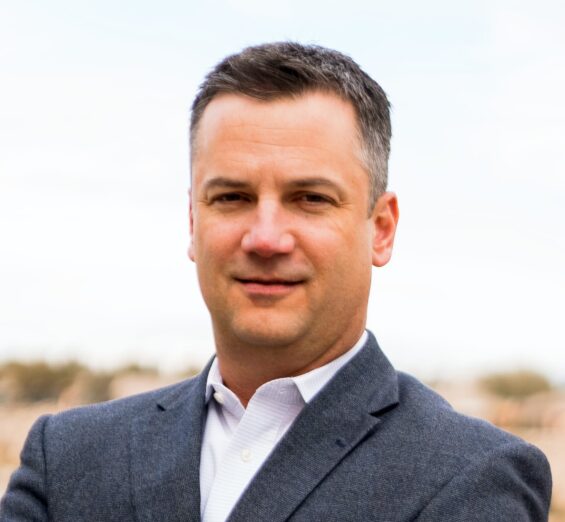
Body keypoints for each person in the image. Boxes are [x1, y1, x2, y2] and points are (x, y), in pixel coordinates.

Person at [0, 42, 552, 522]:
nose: (266, 238)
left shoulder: (471, 477)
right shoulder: (69, 456)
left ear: (380, 230)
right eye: (232, 198)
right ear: (194, 224)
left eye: (310, 199)